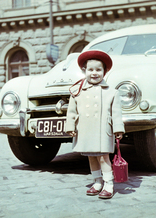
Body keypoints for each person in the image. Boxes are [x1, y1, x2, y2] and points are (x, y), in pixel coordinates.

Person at [66, 50, 125, 199]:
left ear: (104, 72)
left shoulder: (112, 92)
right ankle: (97, 182)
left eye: (98, 69)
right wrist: (70, 126)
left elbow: (116, 112)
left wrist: (118, 128)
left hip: (102, 130)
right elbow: (71, 111)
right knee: (91, 157)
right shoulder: (77, 91)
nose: (94, 73)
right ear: (84, 71)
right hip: (85, 130)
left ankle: (109, 184)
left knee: (103, 157)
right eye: (90, 69)